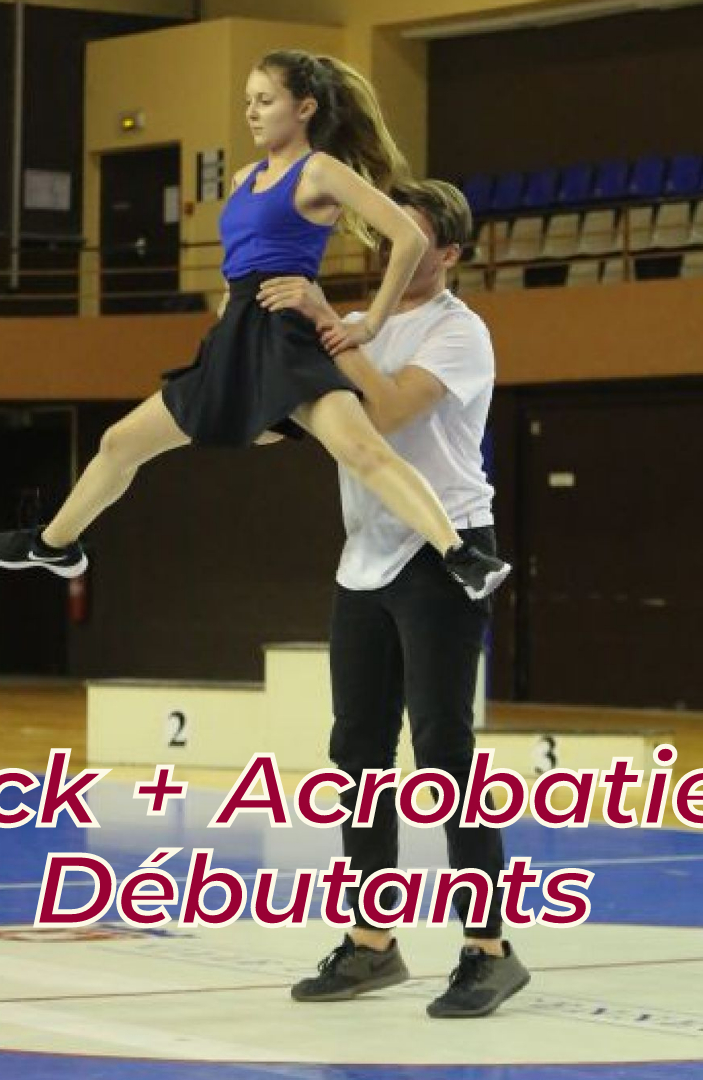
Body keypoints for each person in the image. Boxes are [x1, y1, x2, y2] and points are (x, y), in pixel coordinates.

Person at [0, 50, 510, 602]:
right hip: (235, 338)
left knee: (364, 451)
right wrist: (229, 304)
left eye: (265, 101)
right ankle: (57, 544)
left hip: (286, 338)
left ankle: (460, 553)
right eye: (248, 103)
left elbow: (410, 238)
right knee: (120, 442)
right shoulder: (242, 177)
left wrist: (371, 322)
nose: (252, 113)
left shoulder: (321, 171)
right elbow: (243, 260)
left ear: (304, 108)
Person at [259, 179, 529, 1018]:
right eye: (387, 235)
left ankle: (490, 949)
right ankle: (374, 943)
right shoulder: (363, 325)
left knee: (444, 750)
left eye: (410, 236)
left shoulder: (459, 331)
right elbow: (301, 418)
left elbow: (388, 406)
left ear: (446, 252)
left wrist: (324, 326)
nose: (391, 249)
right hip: (365, 560)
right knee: (359, 756)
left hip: (446, 548)